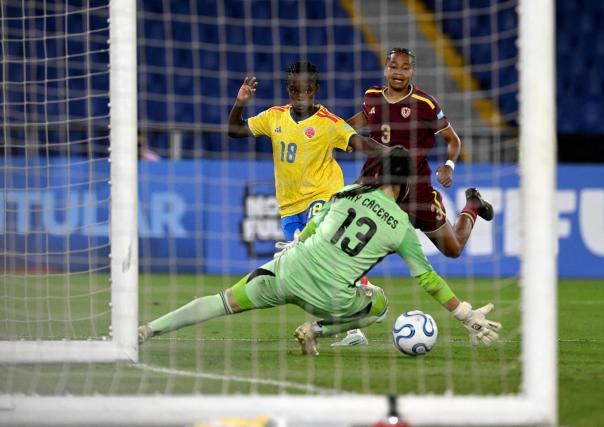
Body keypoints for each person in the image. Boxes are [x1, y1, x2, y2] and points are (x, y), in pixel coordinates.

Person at [138, 147, 502, 355]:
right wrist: (464, 313)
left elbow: (312, 225)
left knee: (222, 300)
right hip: (329, 298)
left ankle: (147, 330)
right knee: (380, 305)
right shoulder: (402, 227)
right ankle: (316, 330)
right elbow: (428, 279)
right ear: (406, 184)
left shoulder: (347, 192)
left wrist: (297, 244)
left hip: (288, 270)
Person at [335, 48, 494, 348]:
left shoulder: (425, 103)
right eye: (394, 65)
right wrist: (338, 130)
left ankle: (471, 206)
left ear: (412, 72)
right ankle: (351, 326)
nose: (398, 71)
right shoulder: (371, 96)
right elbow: (361, 119)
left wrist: (448, 165)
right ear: (385, 69)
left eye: (405, 67)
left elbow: (453, 140)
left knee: (453, 249)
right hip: (375, 184)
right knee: (352, 252)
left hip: (417, 188)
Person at [228, 60, 388, 346]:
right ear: (288, 88)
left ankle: (357, 320)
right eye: (293, 88)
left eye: (305, 88)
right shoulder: (273, 117)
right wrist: (240, 103)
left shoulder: (328, 122)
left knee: (325, 253)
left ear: (315, 89)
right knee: (310, 267)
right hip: (289, 207)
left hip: (323, 197)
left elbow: (359, 143)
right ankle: (359, 304)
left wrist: (393, 153)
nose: (299, 93)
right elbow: (235, 131)